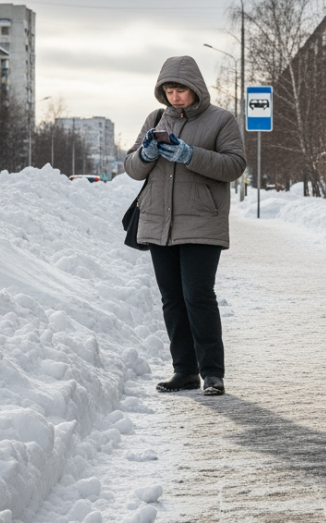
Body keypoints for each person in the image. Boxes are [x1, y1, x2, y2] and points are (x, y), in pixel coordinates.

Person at [124, 55, 246, 396]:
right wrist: (146, 155)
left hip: (202, 223)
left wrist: (189, 154)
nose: (175, 96)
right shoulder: (155, 118)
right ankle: (185, 370)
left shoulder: (221, 120)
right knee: (172, 300)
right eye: (169, 90)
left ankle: (212, 372)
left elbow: (235, 165)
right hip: (158, 223)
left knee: (198, 296)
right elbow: (132, 167)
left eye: (181, 90)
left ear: (195, 89)